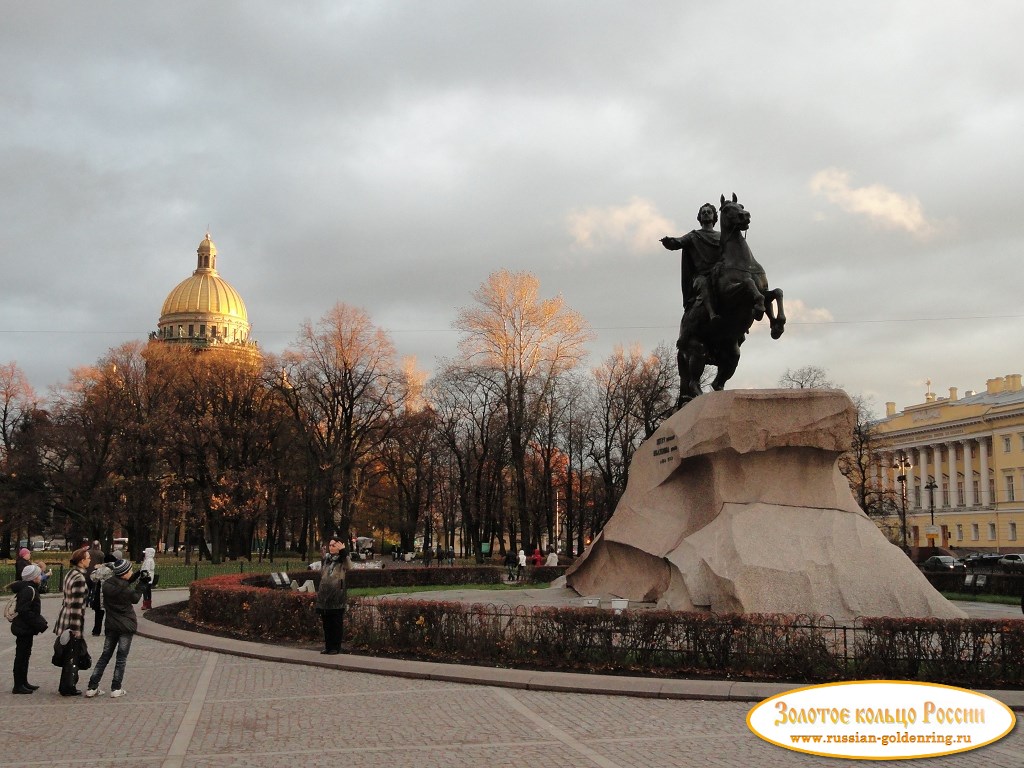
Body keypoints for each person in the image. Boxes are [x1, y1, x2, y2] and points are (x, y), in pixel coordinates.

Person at [84, 558, 149, 699]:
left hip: (111, 625)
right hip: (126, 625)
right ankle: (116, 688)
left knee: (105, 655)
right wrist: (142, 583)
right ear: (124, 573)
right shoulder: (124, 589)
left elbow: (123, 583)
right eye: (130, 570)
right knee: (121, 658)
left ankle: (92, 686)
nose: (131, 572)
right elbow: (135, 597)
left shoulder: (108, 584)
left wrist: (137, 574)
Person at [661, 202, 723, 323]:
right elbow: (678, 242)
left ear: (714, 216)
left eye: (709, 212)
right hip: (702, 276)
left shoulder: (722, 236)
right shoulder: (694, 236)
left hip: (719, 273)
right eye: (703, 212)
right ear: (699, 217)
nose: (706, 214)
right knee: (703, 283)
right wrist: (669, 242)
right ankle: (712, 314)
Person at [53, 547, 91, 696]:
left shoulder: (70, 573)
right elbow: (76, 606)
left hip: (64, 616)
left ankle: (66, 684)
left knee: (69, 653)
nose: (89, 560)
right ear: (81, 561)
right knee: (71, 655)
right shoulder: (79, 579)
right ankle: (68, 686)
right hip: (71, 620)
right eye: (87, 558)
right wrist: (76, 630)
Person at [9, 564, 48, 694]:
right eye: (38, 574)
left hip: (26, 627)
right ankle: (18, 684)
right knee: (21, 656)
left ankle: (23, 681)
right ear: (32, 577)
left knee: (25, 655)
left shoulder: (30, 588)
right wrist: (39, 622)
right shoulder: (28, 589)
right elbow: (23, 610)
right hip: (23, 627)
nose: (40, 576)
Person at [315, 536, 350, 655]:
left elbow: (349, 566)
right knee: (326, 623)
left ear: (339, 546)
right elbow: (322, 574)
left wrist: (343, 552)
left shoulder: (342, 560)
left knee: (336, 623)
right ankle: (328, 646)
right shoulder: (327, 559)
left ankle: (336, 647)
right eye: (330, 545)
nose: (331, 547)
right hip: (324, 597)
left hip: (337, 597)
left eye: (333, 545)